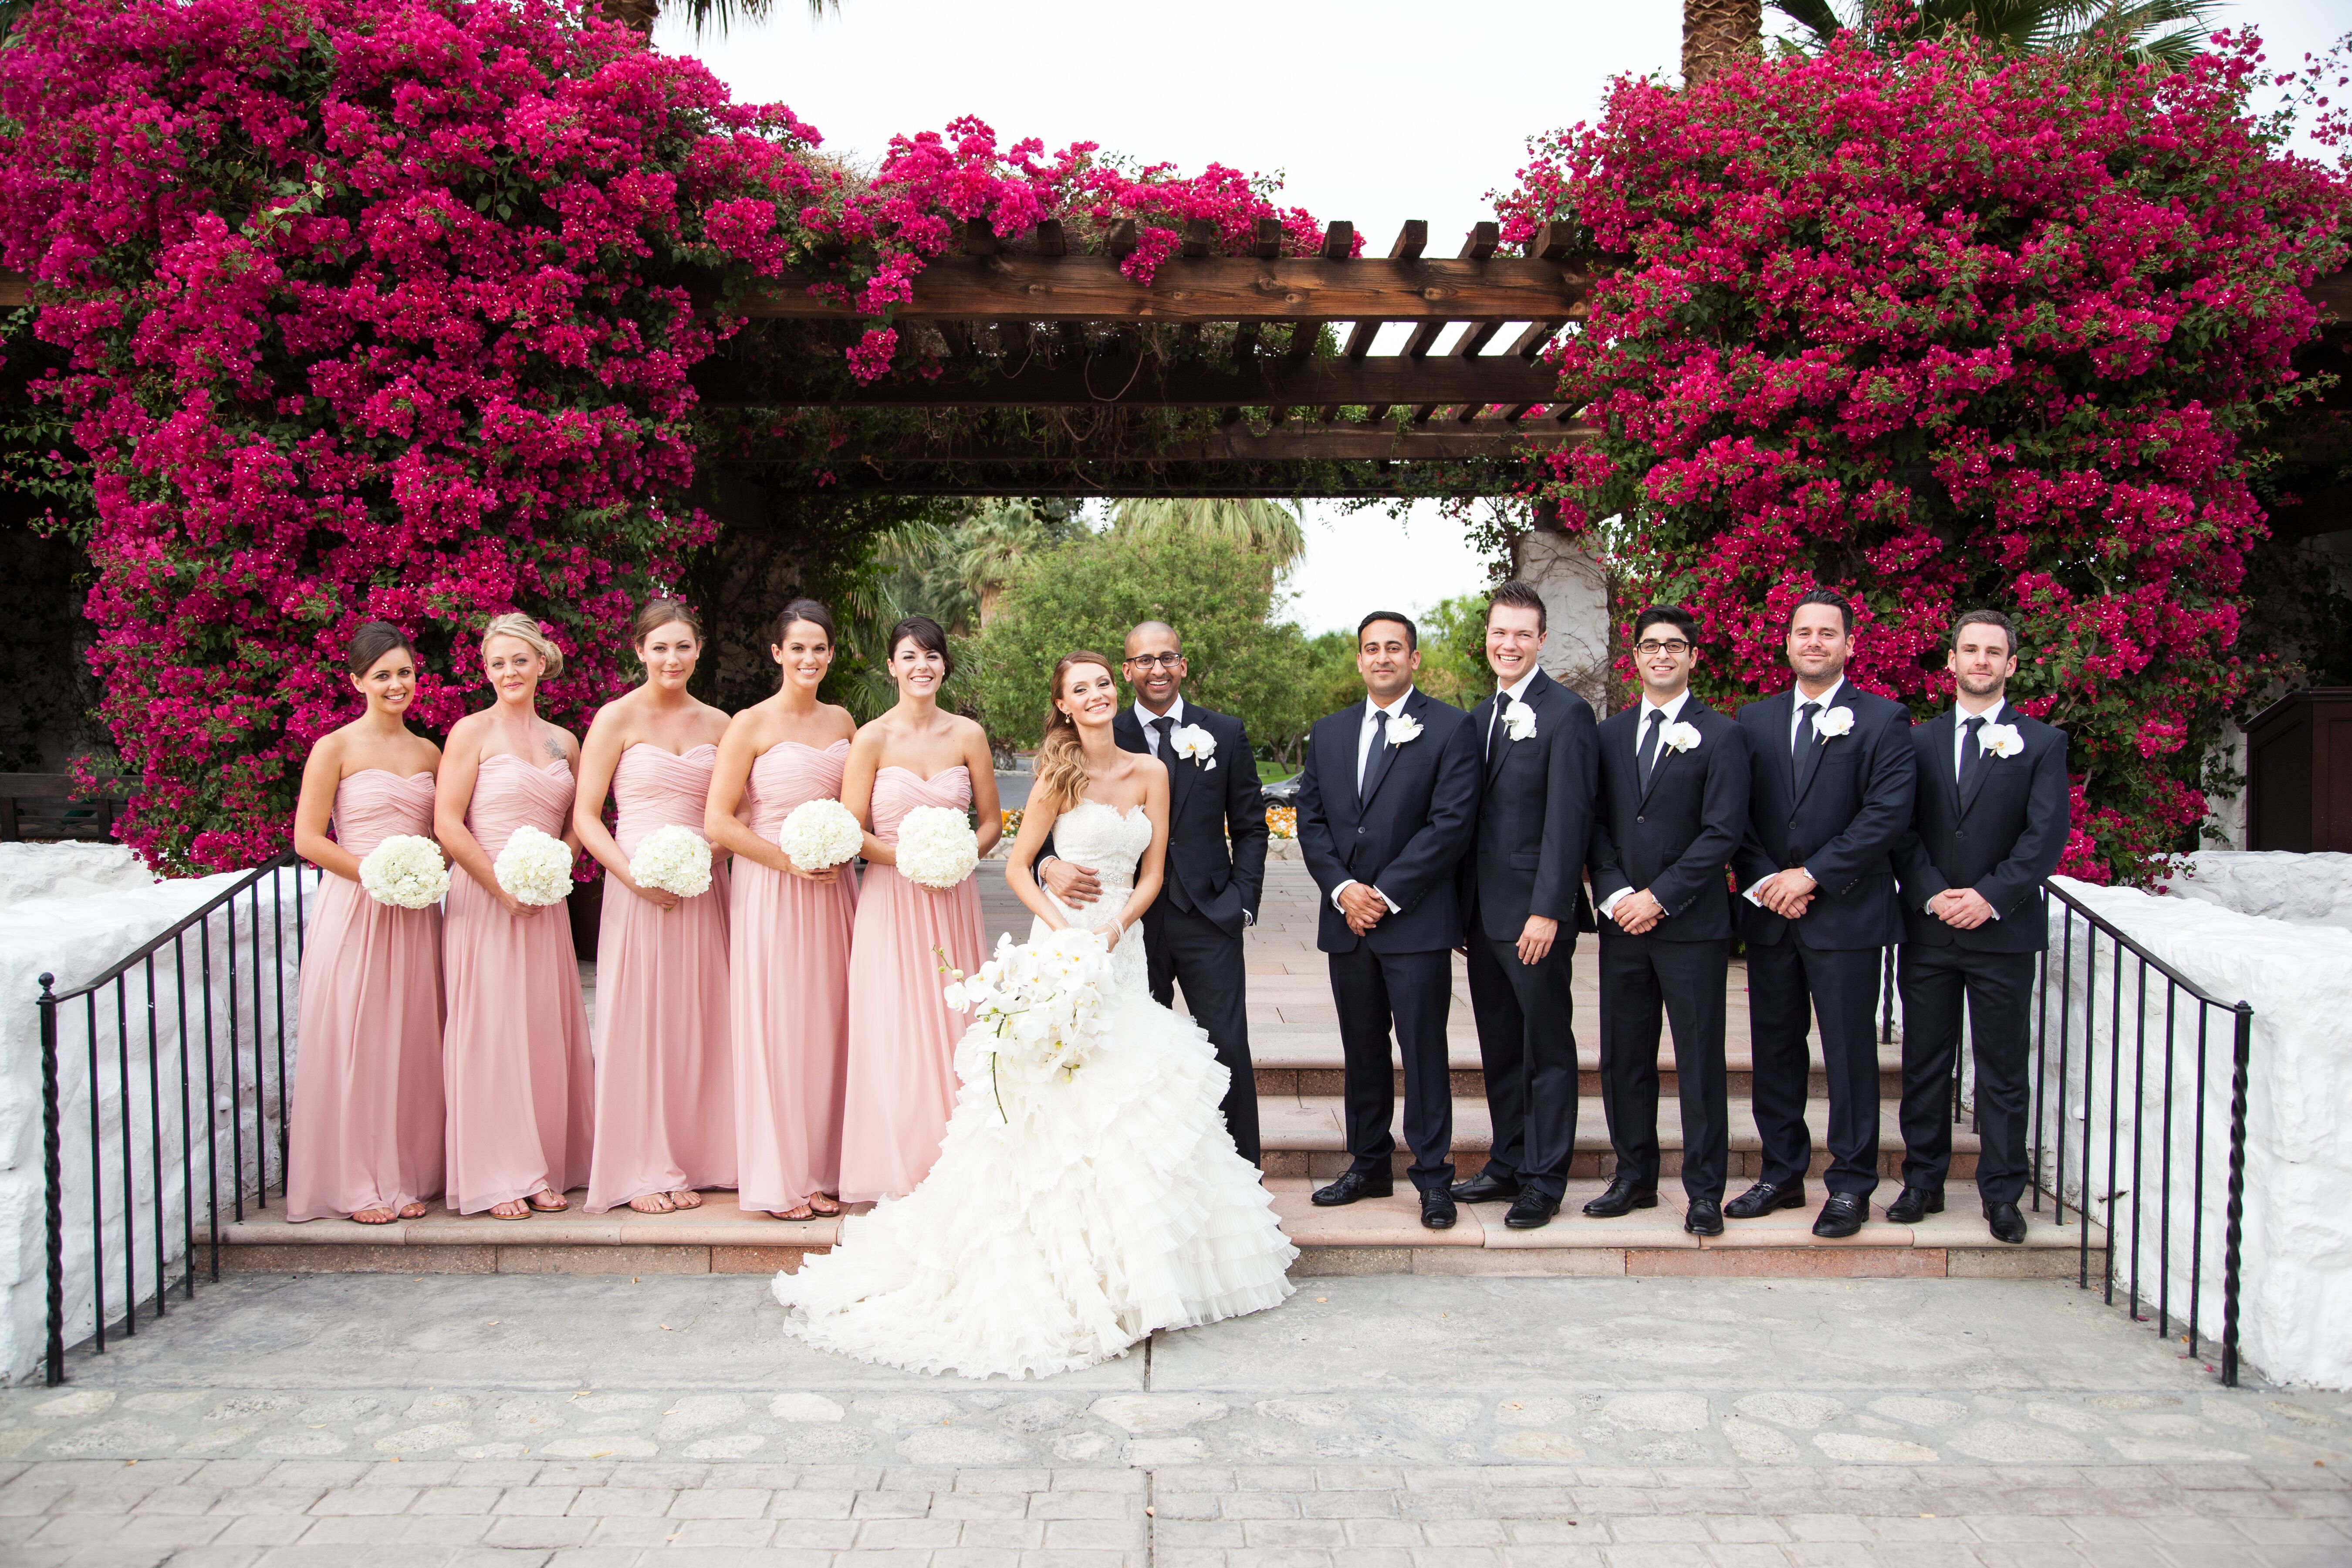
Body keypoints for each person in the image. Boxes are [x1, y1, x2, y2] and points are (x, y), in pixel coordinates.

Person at [772, 651, 1294, 1378]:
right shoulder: (1058, 774)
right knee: (1060, 1094)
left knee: (1130, 1089)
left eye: (1103, 684)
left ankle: (1145, 1267)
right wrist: (1065, 930)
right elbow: (1019, 865)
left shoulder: (1152, 775)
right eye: (1081, 689)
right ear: (1065, 704)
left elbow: (1153, 871)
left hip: (1124, 942)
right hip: (1060, 946)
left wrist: (1113, 932)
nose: (1097, 695)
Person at [1034, 620, 1269, 1165]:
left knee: (1226, 1047)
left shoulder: (1225, 733)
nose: (1157, 669)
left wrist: (1242, 902)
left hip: (1209, 916)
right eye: (1145, 660)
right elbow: (1044, 827)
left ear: (1183, 665)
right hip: (1126, 925)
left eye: (1168, 658)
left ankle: (1242, 1178)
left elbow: (1253, 826)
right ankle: (1158, 1174)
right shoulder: (1095, 729)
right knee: (1135, 1057)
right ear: (1128, 670)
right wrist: (1049, 864)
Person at [1730, 590, 1917, 1238]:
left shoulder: (1885, 720)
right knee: (1775, 1051)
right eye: (1804, 632)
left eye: (1828, 633)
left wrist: (1811, 876)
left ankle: (1851, 1184)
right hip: (1771, 917)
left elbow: (1885, 816)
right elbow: (1736, 816)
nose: (1815, 642)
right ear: (1787, 644)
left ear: (1849, 645)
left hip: (1846, 916)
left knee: (1848, 1054)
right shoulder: (1751, 722)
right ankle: (1781, 1175)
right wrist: (1767, 882)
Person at [1294, 611, 1482, 1230]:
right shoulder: (1328, 733)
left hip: (1417, 922)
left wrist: (1386, 892)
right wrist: (1345, 890)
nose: (1382, 658)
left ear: (1415, 659)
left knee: (1424, 1051)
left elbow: (1450, 824)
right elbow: (1312, 823)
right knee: (1363, 1049)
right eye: (1372, 649)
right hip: (1348, 923)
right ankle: (1368, 1163)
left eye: (1394, 648)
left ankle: (1433, 1177)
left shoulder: (1452, 728)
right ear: (1358, 660)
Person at [1890, 609, 2070, 1245]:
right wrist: (1935, 894)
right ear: (1951, 661)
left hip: (2003, 934)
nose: (1981, 661)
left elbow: (2044, 838)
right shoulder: (1915, 742)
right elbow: (1901, 830)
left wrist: (1989, 897)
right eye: (1970, 650)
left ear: (2011, 665)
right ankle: (1923, 1182)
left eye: (1994, 652)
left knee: (2001, 1070)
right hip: (1931, 931)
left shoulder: (2043, 744)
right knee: (1925, 1063)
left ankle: (2002, 1195)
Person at [1584, 605, 1751, 1237]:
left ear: (1692, 658)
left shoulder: (1724, 734)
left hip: (1691, 925)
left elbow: (1723, 832)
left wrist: (1660, 896)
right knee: (1624, 1058)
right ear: (1636, 656)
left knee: (1699, 1060)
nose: (1662, 655)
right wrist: (1619, 891)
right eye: (1651, 645)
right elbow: (1593, 823)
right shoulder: (1609, 735)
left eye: (1674, 646)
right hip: (1622, 922)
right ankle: (1634, 1177)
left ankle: (1705, 1189)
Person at [575, 598, 736, 1216]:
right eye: (660, 647)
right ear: (639, 650)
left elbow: (738, 810)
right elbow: (587, 817)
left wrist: (710, 858)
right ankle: (643, 1166)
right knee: (640, 1020)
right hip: (635, 889)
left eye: (684, 646)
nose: (673, 658)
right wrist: (632, 877)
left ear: (699, 652)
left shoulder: (720, 724)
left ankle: (703, 1156)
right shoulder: (614, 719)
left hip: (701, 887)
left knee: (701, 1018)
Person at [1446, 582, 1598, 1231]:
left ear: (1541, 641)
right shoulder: (1477, 718)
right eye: (1498, 633)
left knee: (1546, 1050)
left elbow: (1571, 822)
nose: (1507, 644)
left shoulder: (1566, 714)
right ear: (1488, 638)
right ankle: (1507, 1160)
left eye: (1520, 634)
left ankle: (1544, 1177)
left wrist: (1551, 910)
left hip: (1534, 918)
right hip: (1482, 917)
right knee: (1501, 1047)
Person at [835, 615, 1000, 1203]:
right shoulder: (872, 739)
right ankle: (899, 1159)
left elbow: (990, 824)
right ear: (892, 667)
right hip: (891, 900)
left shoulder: (968, 736)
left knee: (956, 1022)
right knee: (896, 1025)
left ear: (944, 666)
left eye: (931, 656)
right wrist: (910, 861)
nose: (921, 666)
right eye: (909, 656)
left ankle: (959, 1155)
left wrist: (959, 856)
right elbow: (852, 831)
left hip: (953, 898)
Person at [286, 622, 446, 1224]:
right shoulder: (335, 748)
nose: (396, 684)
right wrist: (377, 875)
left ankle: (405, 1178)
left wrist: (423, 876)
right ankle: (358, 1185)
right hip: (356, 906)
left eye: (404, 672)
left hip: (414, 916)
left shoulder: (429, 752)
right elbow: (307, 839)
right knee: (356, 1041)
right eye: (382, 675)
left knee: (408, 1045)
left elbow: (441, 833)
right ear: (357, 681)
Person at [436, 613, 595, 1219]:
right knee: (492, 1032)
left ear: (541, 663)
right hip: (485, 898)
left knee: (538, 1030)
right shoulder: (469, 734)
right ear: (486, 669)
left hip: (544, 901)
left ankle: (543, 1163)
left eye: (520, 660)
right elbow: (449, 823)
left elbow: (577, 824)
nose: (510, 672)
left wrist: (558, 868)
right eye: (498, 662)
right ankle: (498, 1173)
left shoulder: (565, 742)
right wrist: (500, 886)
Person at [706, 600, 858, 1222]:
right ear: (777, 654)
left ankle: (825, 1170)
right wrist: (786, 861)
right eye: (797, 648)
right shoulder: (749, 724)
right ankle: (783, 1178)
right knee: (779, 1026)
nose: (809, 658)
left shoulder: (845, 720)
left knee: (830, 1025)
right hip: (773, 887)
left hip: (835, 890)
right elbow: (718, 819)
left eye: (819, 648)